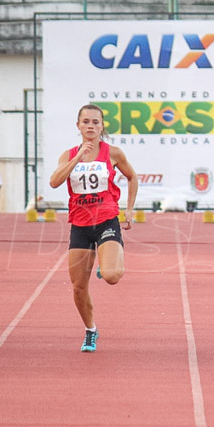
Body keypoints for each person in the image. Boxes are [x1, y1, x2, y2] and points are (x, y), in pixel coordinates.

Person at [49, 104, 137, 353]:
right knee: (78, 287)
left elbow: (132, 177)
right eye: (85, 122)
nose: (90, 126)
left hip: (107, 219)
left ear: (102, 126)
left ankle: (108, 260)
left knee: (111, 276)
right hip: (80, 224)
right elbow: (54, 182)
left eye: (95, 122)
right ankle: (91, 330)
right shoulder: (68, 155)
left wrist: (129, 209)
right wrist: (78, 157)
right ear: (78, 126)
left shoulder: (113, 153)